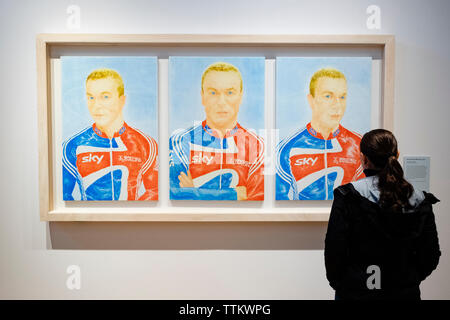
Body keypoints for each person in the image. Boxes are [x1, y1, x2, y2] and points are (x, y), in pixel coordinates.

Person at [324, 129, 440, 300]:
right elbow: (430, 255)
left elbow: (334, 251)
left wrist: (345, 284)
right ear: (397, 155)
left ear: (363, 158)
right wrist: (408, 279)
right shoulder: (420, 200)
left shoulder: (348, 196)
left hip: (357, 292)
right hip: (403, 293)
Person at [169, 62, 264, 200]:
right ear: (202, 96)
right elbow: (173, 195)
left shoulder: (258, 146)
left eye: (230, 92)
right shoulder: (180, 141)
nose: (221, 101)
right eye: (213, 92)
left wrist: (194, 192)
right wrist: (235, 194)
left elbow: (258, 201)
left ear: (241, 96)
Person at [63, 68, 158, 201]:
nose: (96, 105)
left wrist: (131, 217)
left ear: (122, 100)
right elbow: (62, 197)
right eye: (91, 97)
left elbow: (155, 191)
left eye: (105, 97)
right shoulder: (72, 145)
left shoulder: (146, 144)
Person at [276, 68, 364, 200]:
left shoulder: (359, 144)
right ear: (311, 100)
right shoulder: (287, 148)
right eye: (328, 96)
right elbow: (280, 200)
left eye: (342, 97)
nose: (337, 105)